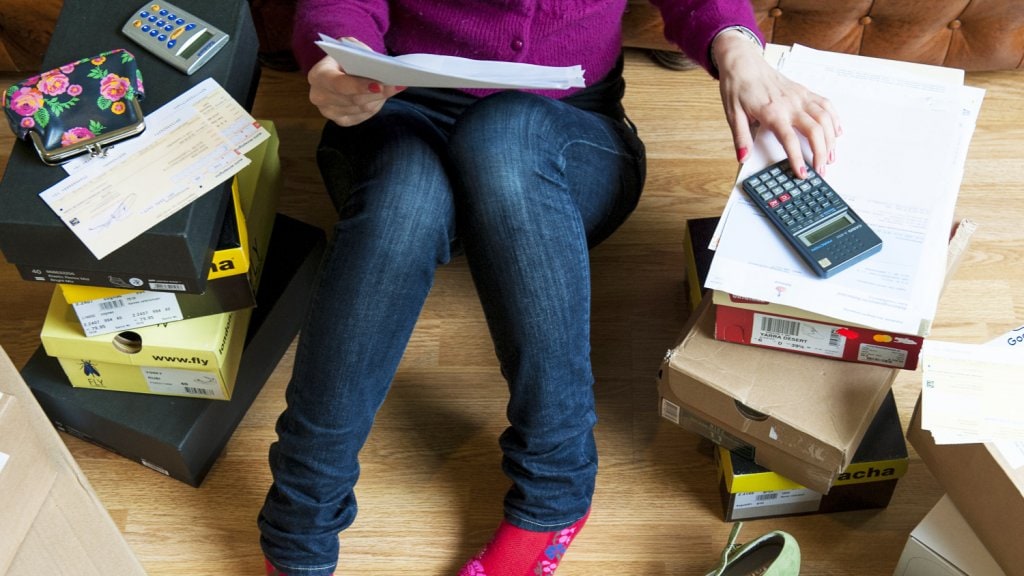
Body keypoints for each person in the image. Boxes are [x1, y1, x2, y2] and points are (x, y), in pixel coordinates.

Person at [258, 1, 840, 575]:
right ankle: (299, 517)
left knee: (500, 137)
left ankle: (554, 488)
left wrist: (736, 44)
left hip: (561, 131)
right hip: (402, 111)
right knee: (402, 203)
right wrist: (336, 55)